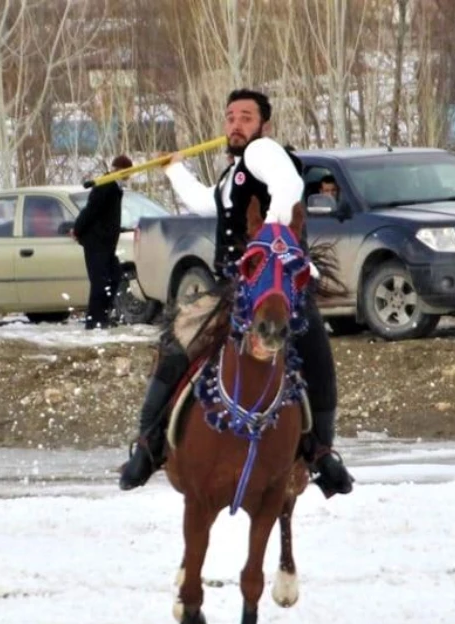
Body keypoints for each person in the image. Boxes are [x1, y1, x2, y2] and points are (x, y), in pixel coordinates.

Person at [117, 88, 354, 498]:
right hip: (231, 286)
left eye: (245, 117)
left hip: (272, 283)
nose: (235, 124)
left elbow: (288, 184)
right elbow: (208, 204)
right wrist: (174, 169)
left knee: (314, 348)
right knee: (175, 344)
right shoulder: (235, 172)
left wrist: (274, 236)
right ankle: (148, 442)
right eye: (230, 117)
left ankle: (321, 453)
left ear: (264, 125)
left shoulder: (263, 152)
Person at [72, 154, 132, 329]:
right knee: (100, 282)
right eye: (126, 172)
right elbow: (90, 210)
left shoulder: (115, 187)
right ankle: (95, 320)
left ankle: (103, 315)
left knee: (114, 276)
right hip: (96, 242)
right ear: (118, 170)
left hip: (107, 244)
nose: (128, 177)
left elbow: (109, 216)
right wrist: (77, 230)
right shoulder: (105, 185)